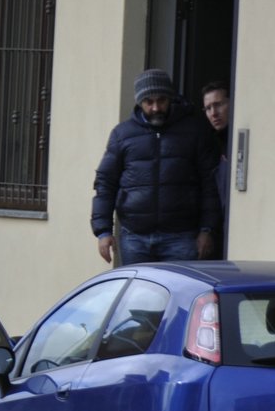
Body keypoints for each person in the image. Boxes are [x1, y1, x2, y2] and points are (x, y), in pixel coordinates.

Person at [91, 68, 221, 265]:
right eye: (148, 102)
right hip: (135, 238)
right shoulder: (122, 135)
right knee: (139, 296)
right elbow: (105, 182)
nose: (155, 107)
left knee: (182, 293)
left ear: (170, 99)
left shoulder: (194, 132)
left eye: (161, 100)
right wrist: (103, 231)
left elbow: (209, 183)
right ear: (140, 102)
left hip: (182, 236)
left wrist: (207, 229)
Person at [202, 80, 232, 256]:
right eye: (208, 108)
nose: (214, 113)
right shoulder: (210, 144)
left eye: (218, 105)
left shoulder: (237, 139)